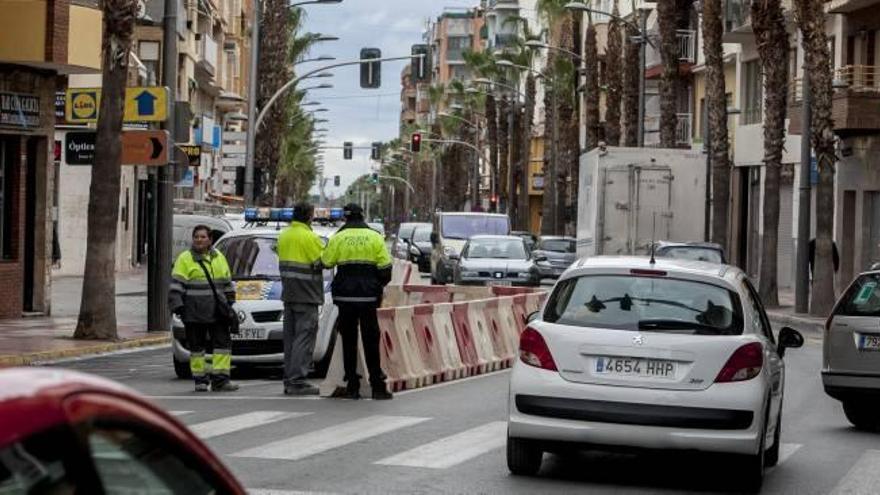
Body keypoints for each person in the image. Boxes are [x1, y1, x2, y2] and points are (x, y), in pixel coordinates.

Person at [322, 203, 393, 400]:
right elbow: (386, 270)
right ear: (362, 216)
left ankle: (352, 384)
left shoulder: (338, 238)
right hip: (369, 298)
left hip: (345, 298)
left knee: (349, 341)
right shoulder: (375, 237)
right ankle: (377, 386)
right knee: (371, 340)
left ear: (345, 218)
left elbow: (326, 262)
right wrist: (376, 286)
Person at [169, 225, 239, 392]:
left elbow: (227, 282)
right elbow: (176, 285)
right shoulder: (185, 259)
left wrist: (230, 302)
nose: (199, 240)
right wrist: (178, 305)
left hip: (217, 311)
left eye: (202, 237)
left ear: (210, 240)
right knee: (197, 348)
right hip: (194, 312)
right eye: (196, 237)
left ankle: (221, 380)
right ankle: (200, 380)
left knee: (222, 346)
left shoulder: (219, 257)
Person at [277, 202, 325, 396]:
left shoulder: (284, 235)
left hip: (289, 293)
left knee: (290, 339)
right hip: (307, 294)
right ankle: (298, 380)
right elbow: (323, 261)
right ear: (309, 216)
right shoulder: (310, 237)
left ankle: (289, 378)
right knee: (304, 338)